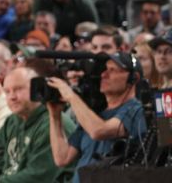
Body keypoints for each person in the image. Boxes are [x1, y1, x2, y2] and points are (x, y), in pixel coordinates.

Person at [0, 67, 75, 183]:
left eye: (18, 89)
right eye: (7, 91)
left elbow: (35, 177)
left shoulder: (53, 123)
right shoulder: (12, 121)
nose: (12, 97)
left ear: (37, 89)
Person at [48, 52, 146, 183]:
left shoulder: (138, 110)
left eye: (112, 70)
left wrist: (71, 96)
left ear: (133, 78)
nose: (104, 75)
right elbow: (62, 158)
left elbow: (99, 131)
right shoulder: (95, 115)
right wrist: (55, 115)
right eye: (104, 70)